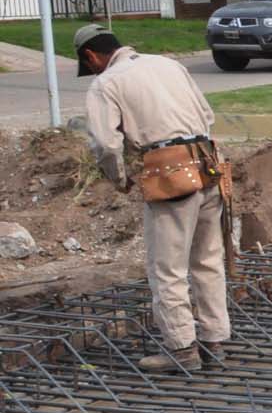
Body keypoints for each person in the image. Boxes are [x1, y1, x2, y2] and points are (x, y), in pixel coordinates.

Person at [76, 24, 231, 372]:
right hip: (208, 165)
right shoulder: (167, 64)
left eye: (89, 66)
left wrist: (120, 179)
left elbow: (105, 144)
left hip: (170, 174)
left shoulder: (106, 83)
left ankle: (183, 350)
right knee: (207, 260)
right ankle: (214, 341)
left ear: (91, 56)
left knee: (167, 269)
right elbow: (206, 115)